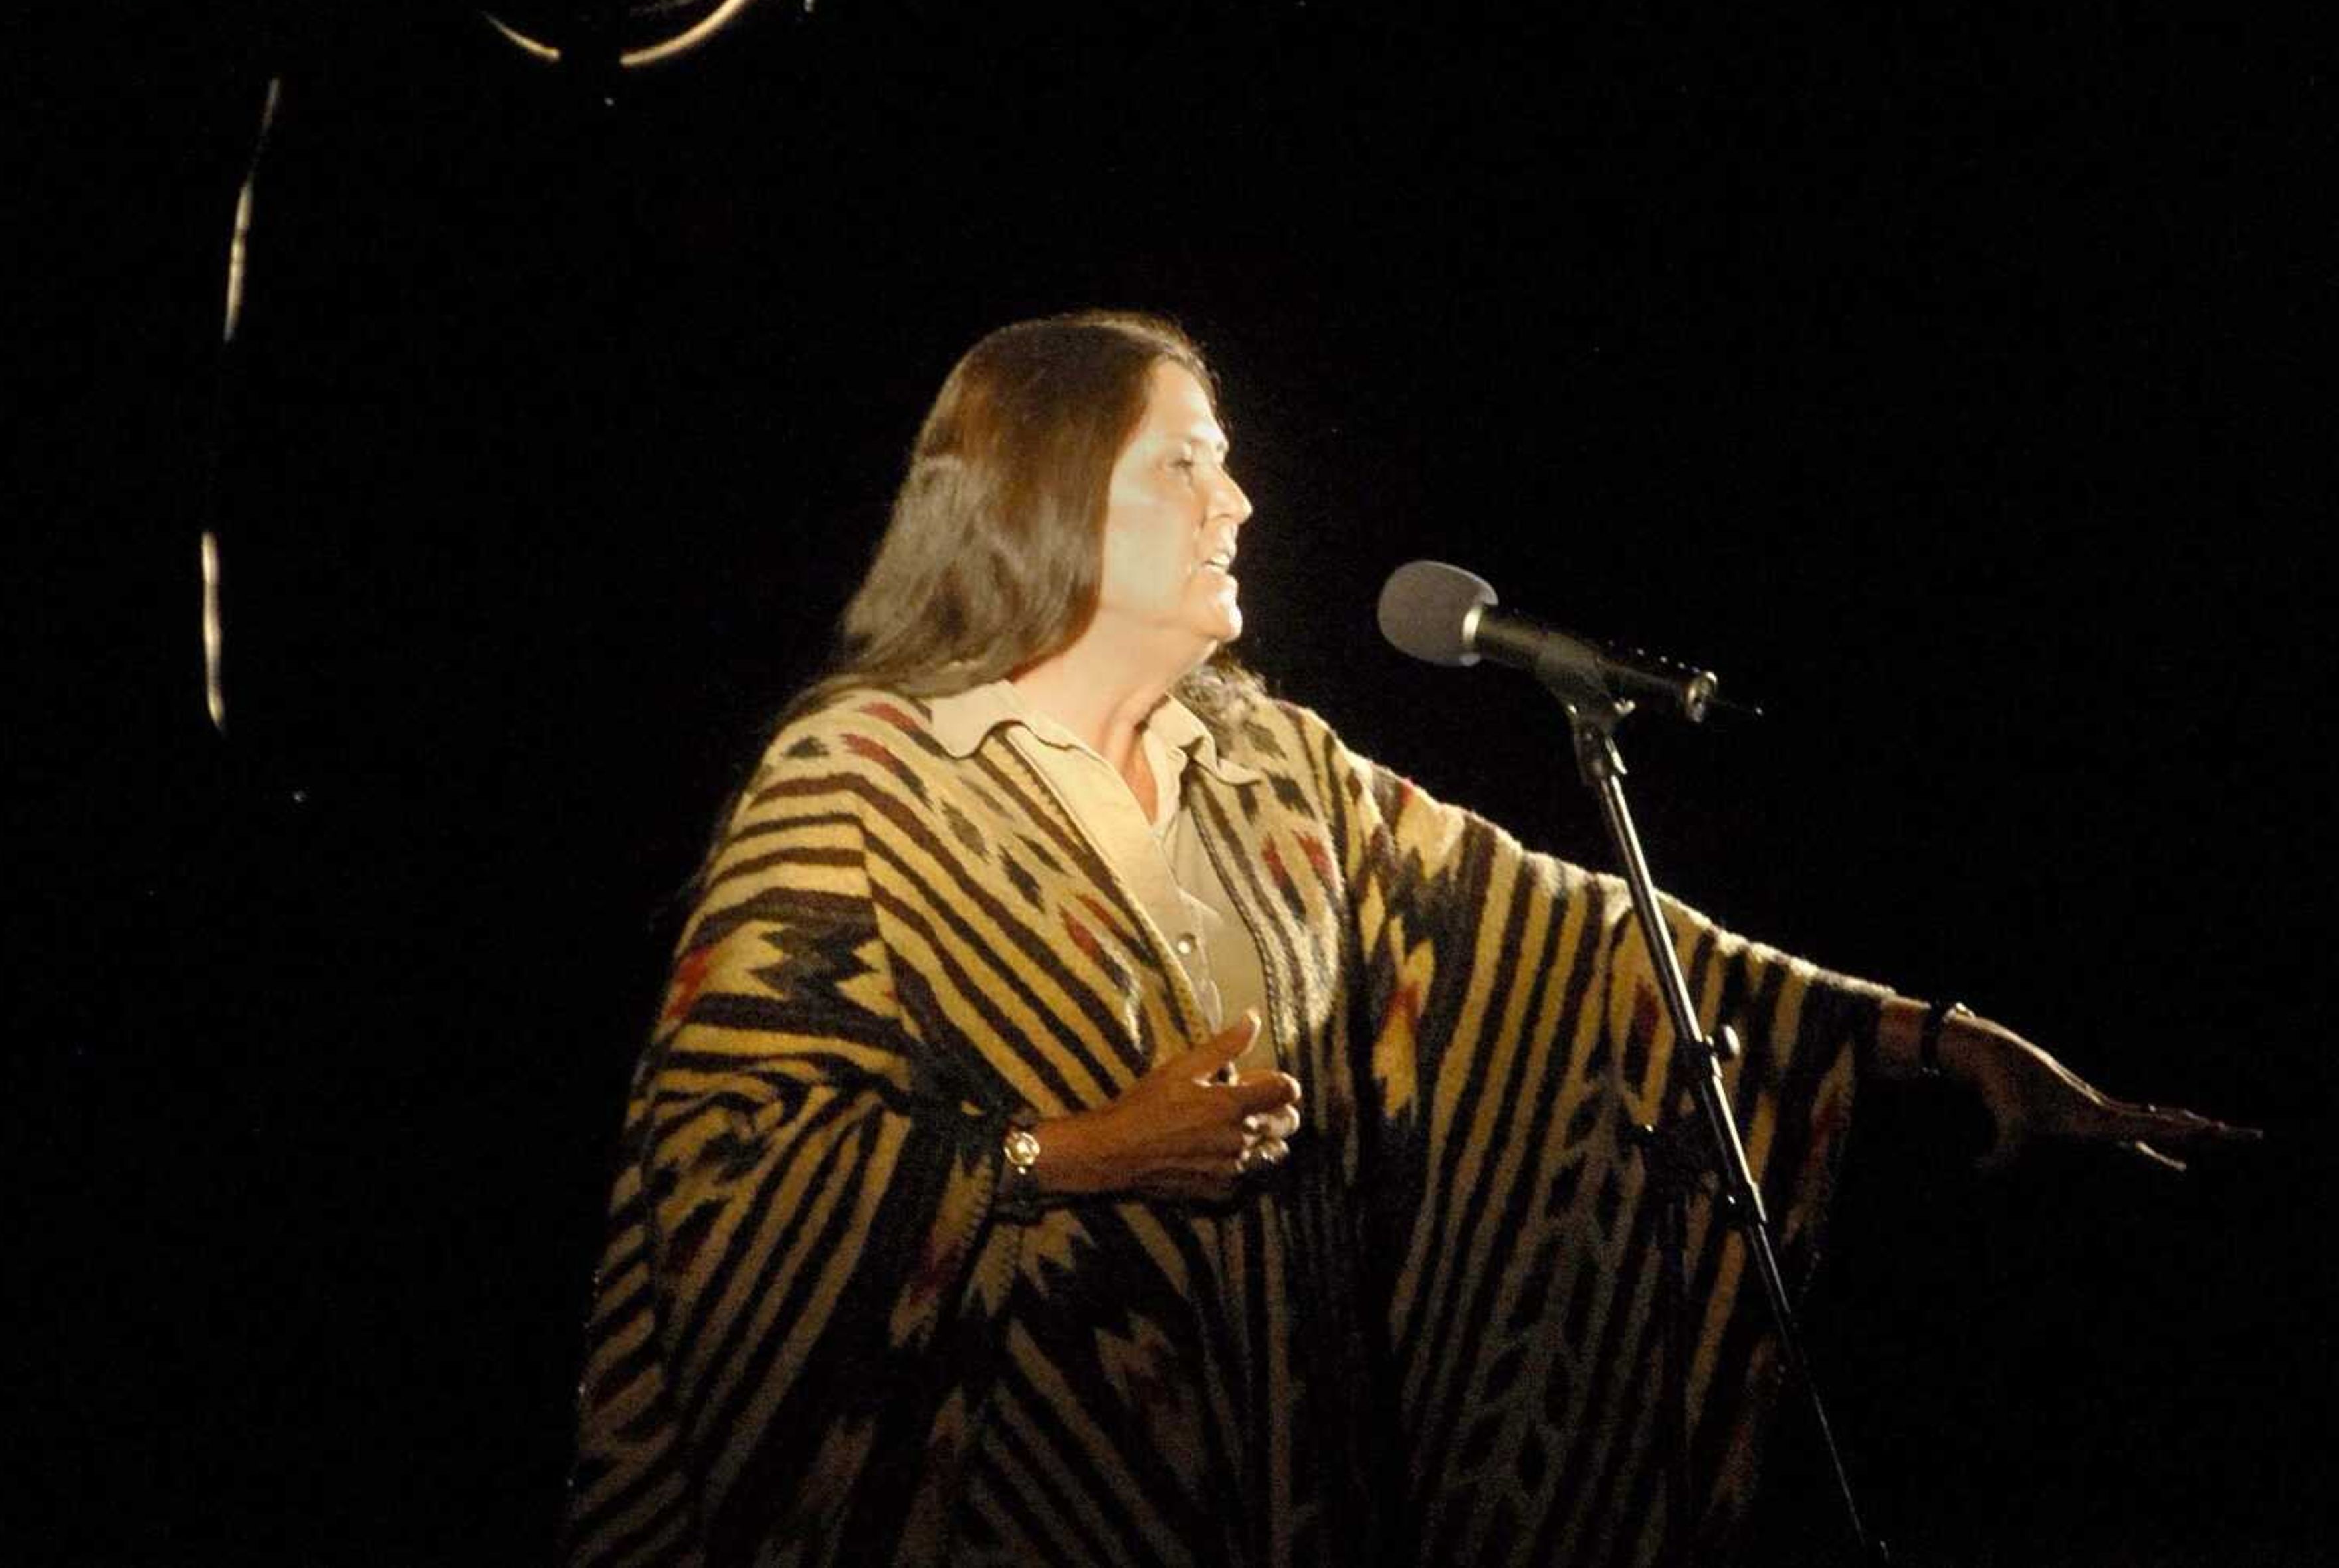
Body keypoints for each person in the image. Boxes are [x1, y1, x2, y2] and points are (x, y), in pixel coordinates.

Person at [562, 311, 2243, 1567]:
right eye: (1184, 461)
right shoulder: (866, 775)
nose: (1238, 499)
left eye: (1227, 457)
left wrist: (1933, 1034)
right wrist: (1075, 1153)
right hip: (1004, 1501)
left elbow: (1583, 943)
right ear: (1046, 488)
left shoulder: (1276, 773)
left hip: (1279, 1500)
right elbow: (721, 1169)